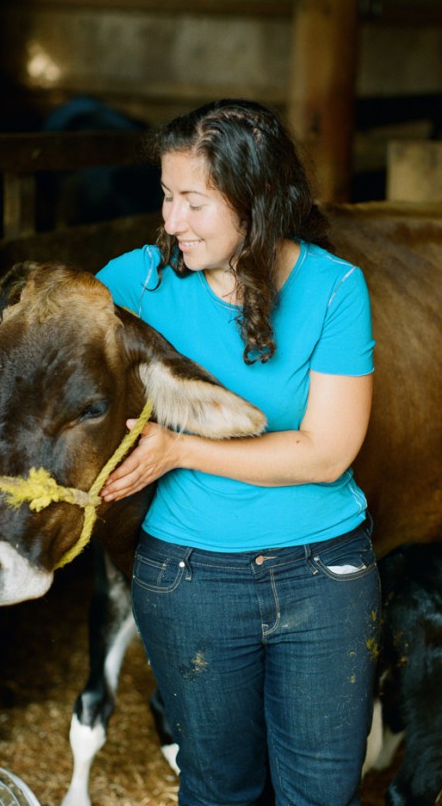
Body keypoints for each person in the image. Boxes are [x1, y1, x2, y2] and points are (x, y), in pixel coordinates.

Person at [95, 98, 379, 806]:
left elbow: (325, 454)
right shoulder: (137, 283)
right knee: (219, 789)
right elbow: (53, 349)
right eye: (166, 197)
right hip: (189, 581)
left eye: (194, 202)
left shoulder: (335, 289)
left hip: (325, 578)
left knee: (319, 793)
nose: (170, 221)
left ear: (257, 201)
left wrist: (179, 450)